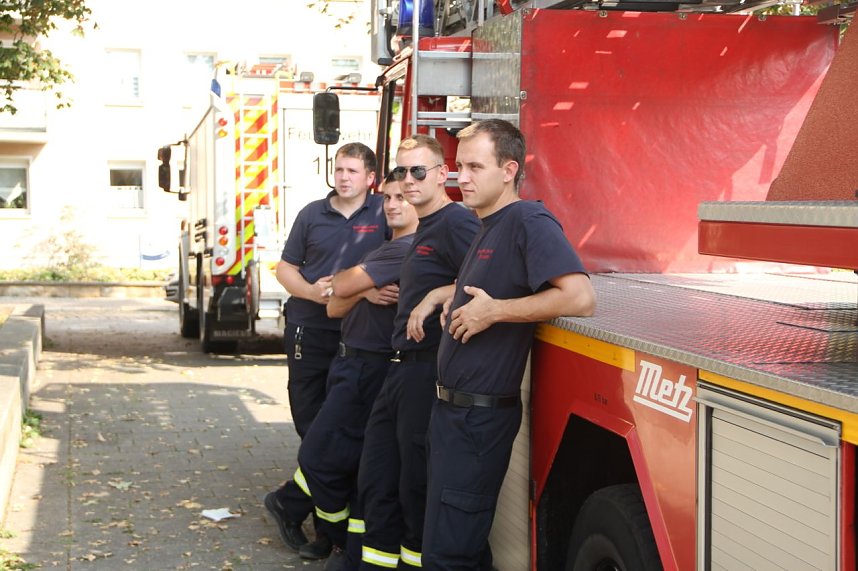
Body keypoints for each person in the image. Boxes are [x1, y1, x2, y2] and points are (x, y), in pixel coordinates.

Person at [421, 119, 597, 570]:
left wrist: (495, 311)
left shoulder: (527, 219)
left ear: (509, 169)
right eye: (460, 166)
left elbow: (579, 297)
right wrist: (453, 298)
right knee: (462, 547)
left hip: (476, 422)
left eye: (476, 166)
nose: (463, 177)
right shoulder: (486, 223)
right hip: (453, 416)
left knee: (448, 555)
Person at [264, 176, 418, 571]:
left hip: (374, 365)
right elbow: (331, 305)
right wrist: (362, 290)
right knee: (332, 452)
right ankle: (331, 535)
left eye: (401, 198)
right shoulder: (377, 246)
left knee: (326, 457)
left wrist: (351, 285)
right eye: (388, 198)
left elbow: (339, 291)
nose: (392, 205)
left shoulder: (412, 249)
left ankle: (320, 527)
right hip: (344, 360)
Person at [357, 135, 480, 570]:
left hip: (426, 370)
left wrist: (436, 296)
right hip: (399, 370)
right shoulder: (426, 225)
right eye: (401, 171)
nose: (408, 181)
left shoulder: (456, 223)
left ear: (441, 174)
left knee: (414, 486)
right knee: (377, 478)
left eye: (418, 171)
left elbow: (493, 276)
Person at [276, 142, 387, 558]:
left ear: (370, 178)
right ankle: (324, 527)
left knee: (338, 434)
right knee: (312, 427)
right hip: (309, 330)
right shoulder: (311, 214)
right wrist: (310, 293)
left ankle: (317, 526)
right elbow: (285, 266)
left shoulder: (384, 213)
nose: (343, 177)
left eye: (353, 171)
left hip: (357, 336)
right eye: (339, 169)